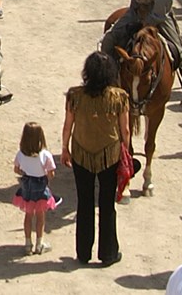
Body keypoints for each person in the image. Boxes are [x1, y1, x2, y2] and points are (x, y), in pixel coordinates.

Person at [62, 51, 128, 267]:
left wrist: (65, 148)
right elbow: (125, 130)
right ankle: (108, 253)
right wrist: (125, 151)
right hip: (110, 154)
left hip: (81, 153)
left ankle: (83, 253)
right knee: (107, 205)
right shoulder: (120, 97)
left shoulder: (75, 95)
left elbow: (68, 125)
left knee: (84, 203)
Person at [12, 120, 58, 255]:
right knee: (40, 216)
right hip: (40, 187)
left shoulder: (20, 154)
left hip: (27, 187)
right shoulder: (45, 155)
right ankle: (39, 243)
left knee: (28, 215)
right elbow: (51, 173)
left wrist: (25, 172)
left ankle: (27, 243)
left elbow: (16, 169)